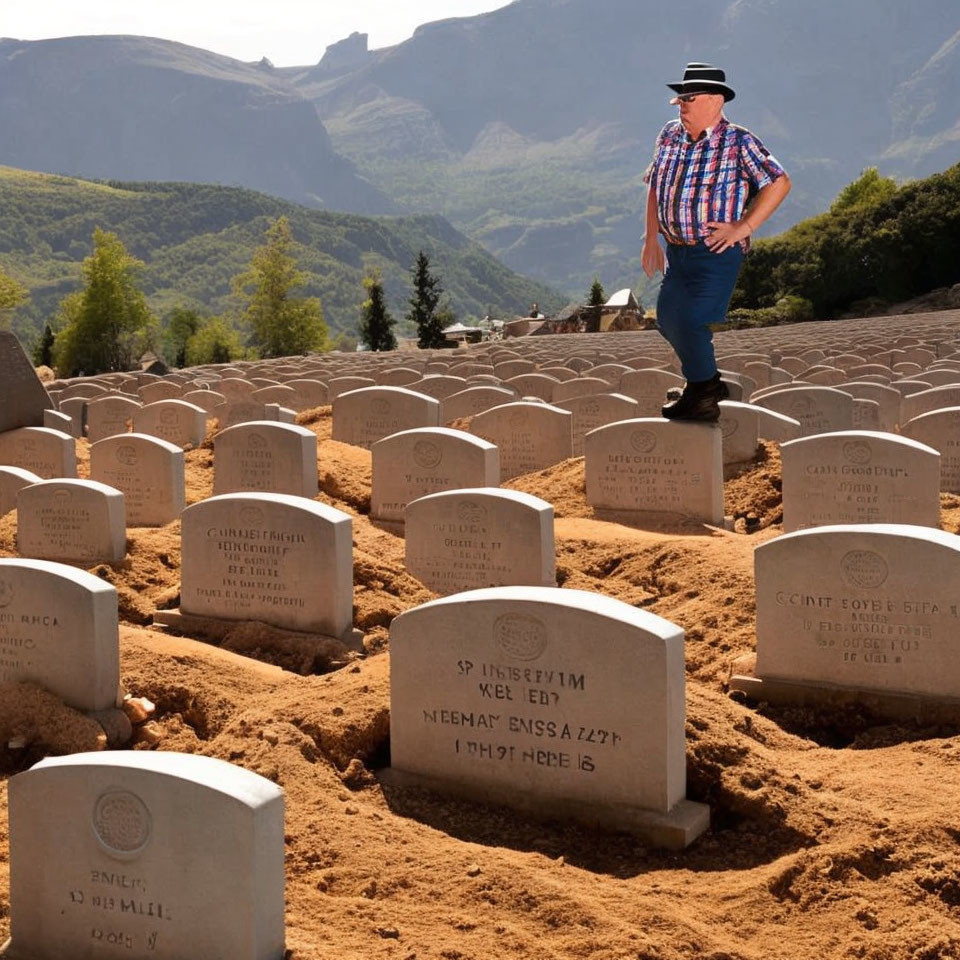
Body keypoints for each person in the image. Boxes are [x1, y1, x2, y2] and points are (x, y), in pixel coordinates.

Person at [641, 62, 791, 421]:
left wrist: (743, 226)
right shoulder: (669, 135)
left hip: (716, 252)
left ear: (714, 100)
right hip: (677, 249)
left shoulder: (739, 141)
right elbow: (654, 185)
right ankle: (702, 384)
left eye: (688, 98)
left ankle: (705, 390)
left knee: (692, 319)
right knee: (666, 318)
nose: (681, 106)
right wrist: (651, 236)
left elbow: (779, 181)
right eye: (679, 100)